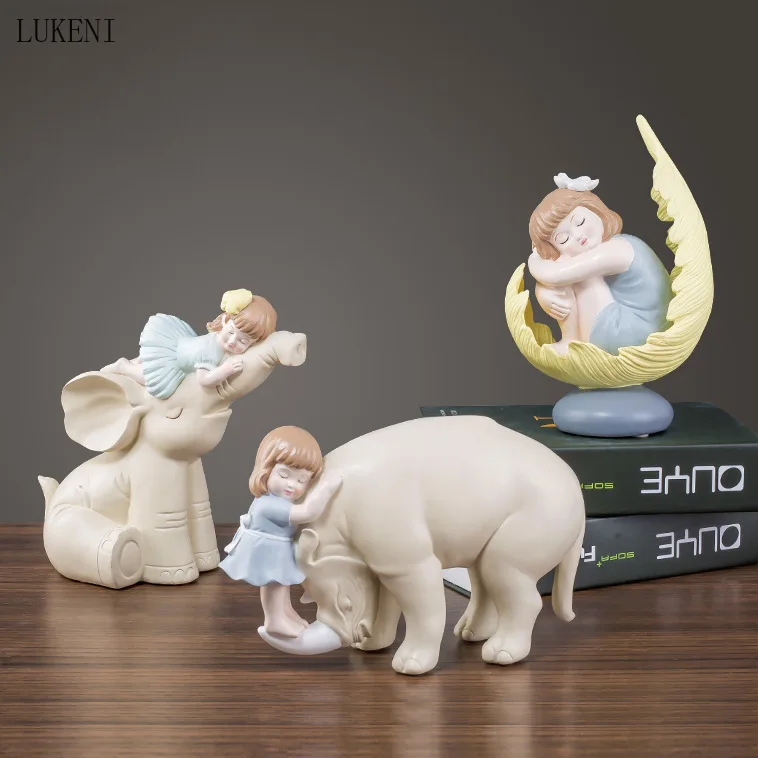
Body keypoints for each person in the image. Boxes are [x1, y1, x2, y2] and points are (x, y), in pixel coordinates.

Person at [527, 173, 672, 356]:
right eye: (563, 239)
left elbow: (556, 275)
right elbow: (555, 275)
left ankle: (571, 341)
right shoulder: (620, 243)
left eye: (580, 222)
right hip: (641, 326)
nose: (577, 236)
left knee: (582, 277)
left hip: (638, 333)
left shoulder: (617, 249)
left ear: (595, 210)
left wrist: (534, 260)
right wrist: (544, 293)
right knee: (571, 269)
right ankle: (570, 340)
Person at [219, 426, 343, 638]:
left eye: (302, 480)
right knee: (274, 585)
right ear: (266, 469)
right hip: (267, 549)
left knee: (281, 583)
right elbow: (307, 512)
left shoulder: (278, 501)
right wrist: (327, 488)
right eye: (284, 475)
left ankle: (285, 612)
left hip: (276, 548)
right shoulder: (268, 504)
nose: (292, 485)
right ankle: (274, 620)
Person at [102, 288, 276, 399]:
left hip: (182, 344)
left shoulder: (216, 341)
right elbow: (204, 380)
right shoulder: (210, 351)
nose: (232, 341)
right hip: (176, 359)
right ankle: (124, 367)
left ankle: (138, 361)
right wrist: (225, 370)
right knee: (151, 379)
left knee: (149, 358)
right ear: (224, 321)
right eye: (230, 332)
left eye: (243, 341)